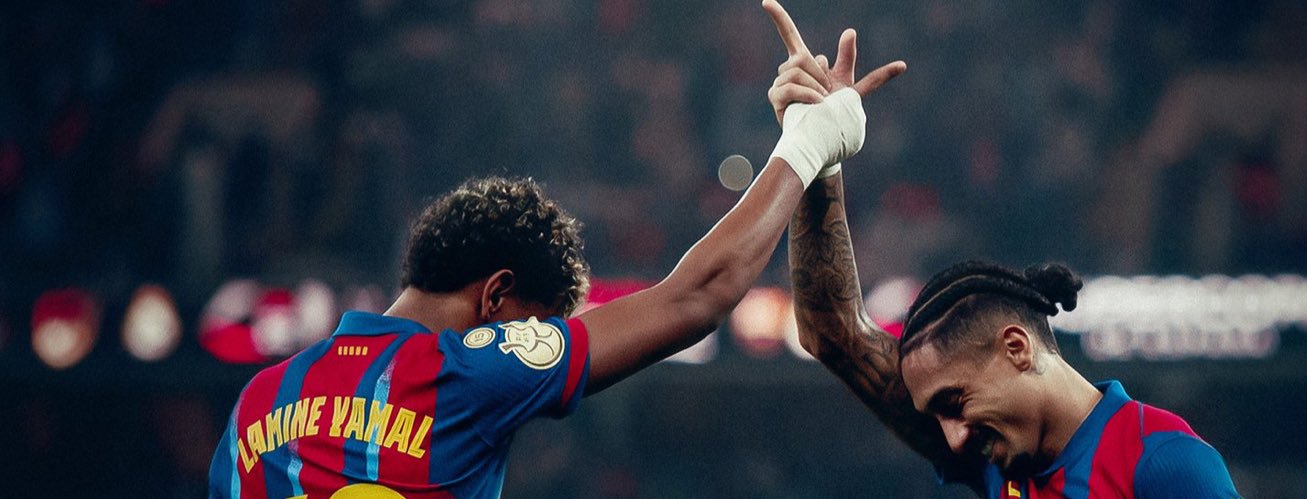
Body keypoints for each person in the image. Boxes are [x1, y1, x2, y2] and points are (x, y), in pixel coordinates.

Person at [206, 2, 905, 495]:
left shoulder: (254, 406)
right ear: (496, 296)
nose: (534, 342)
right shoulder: (465, 373)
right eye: (535, 324)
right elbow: (696, 296)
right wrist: (808, 143)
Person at [765, 7, 1240, 499]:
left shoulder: (1163, 464)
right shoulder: (992, 449)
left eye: (954, 404)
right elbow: (832, 332)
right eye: (939, 416)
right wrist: (817, 147)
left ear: (1017, 347)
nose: (953, 438)